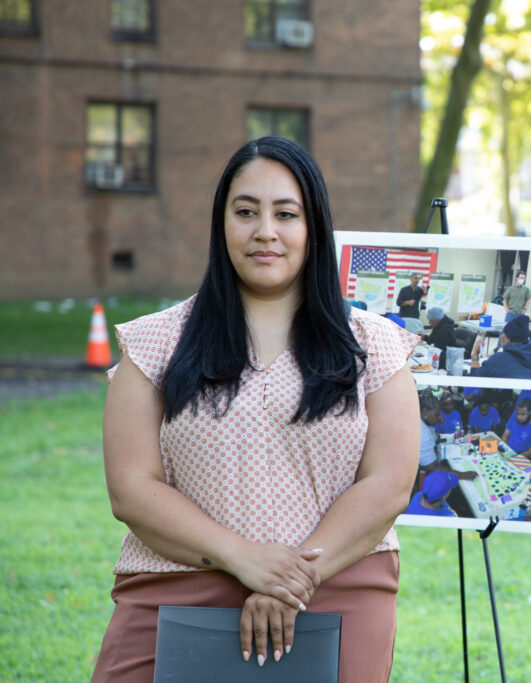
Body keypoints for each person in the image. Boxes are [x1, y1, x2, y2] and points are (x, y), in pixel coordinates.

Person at [92, 136, 421, 682]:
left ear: (312, 227)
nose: (264, 231)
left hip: (336, 581)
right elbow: (132, 488)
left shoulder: (374, 344)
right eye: (245, 212)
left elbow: (388, 484)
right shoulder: (153, 345)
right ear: (221, 224)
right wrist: (243, 559)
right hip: (178, 584)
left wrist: (291, 579)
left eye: (285, 214)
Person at [469, 314, 531, 379]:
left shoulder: (498, 360)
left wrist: (475, 355)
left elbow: (475, 379)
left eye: (503, 333)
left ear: (507, 338)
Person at [501, 397, 531, 462]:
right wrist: (503, 449)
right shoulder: (514, 417)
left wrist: (514, 458)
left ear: (530, 412)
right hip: (509, 452)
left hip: (523, 458)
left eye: (522, 414)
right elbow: (505, 435)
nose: (519, 417)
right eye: (517, 413)